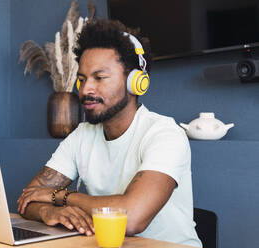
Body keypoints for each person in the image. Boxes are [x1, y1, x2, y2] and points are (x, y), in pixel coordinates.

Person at [17, 19, 202, 248]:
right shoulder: (82, 135)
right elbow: (29, 197)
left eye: (99, 78)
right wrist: (47, 211)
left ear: (136, 83)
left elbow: (132, 218)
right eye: (82, 79)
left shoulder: (164, 134)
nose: (85, 90)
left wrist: (60, 197)